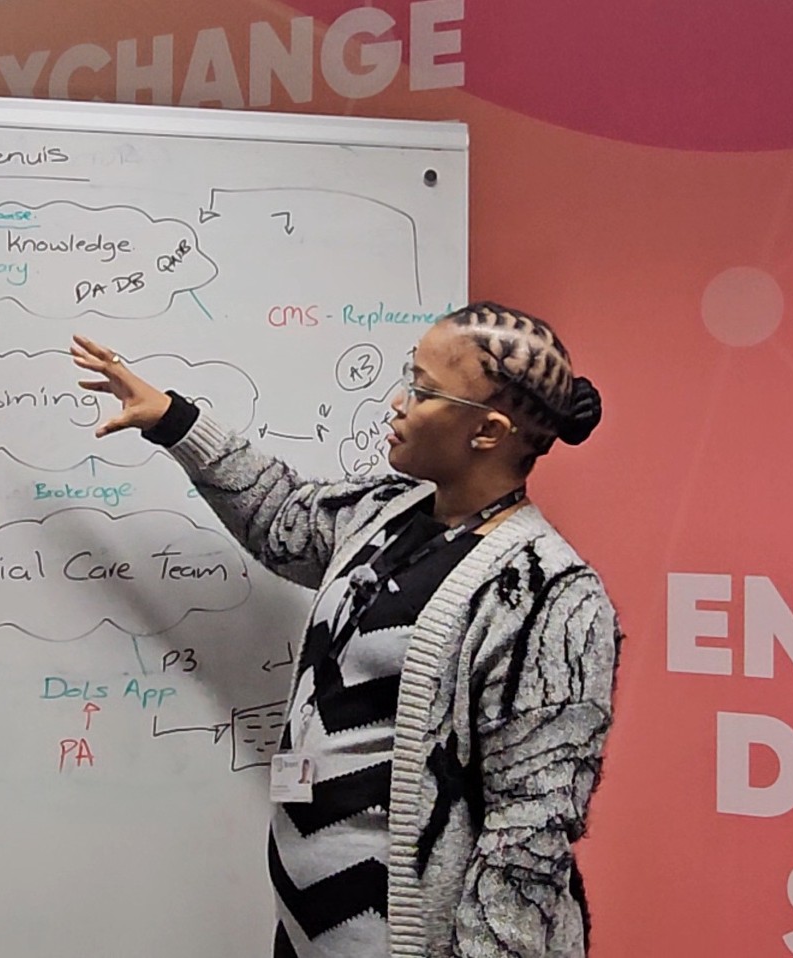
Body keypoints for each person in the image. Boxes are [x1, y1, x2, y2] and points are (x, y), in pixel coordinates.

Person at [70, 302, 620, 958]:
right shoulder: (385, 513)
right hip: (311, 931)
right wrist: (172, 419)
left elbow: (529, 837)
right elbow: (281, 518)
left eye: (421, 389)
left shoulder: (551, 594)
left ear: (488, 430)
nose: (397, 403)